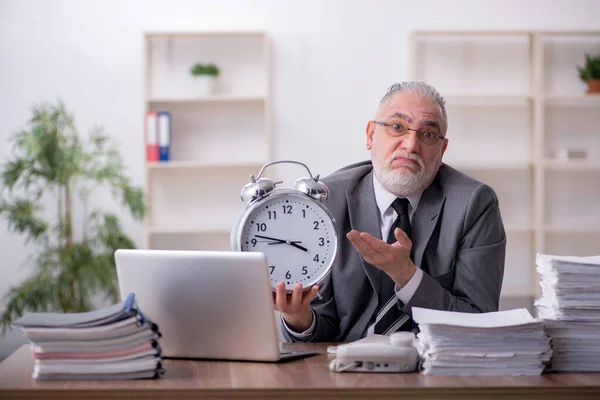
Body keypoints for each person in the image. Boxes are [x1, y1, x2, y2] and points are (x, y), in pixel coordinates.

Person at [274, 81, 507, 343]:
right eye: (397, 127)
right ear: (370, 135)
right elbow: (322, 325)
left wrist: (407, 276)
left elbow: (479, 322)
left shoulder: (474, 204)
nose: (410, 145)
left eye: (428, 134)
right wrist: (298, 318)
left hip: (435, 369)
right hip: (347, 369)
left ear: (441, 151)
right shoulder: (327, 201)